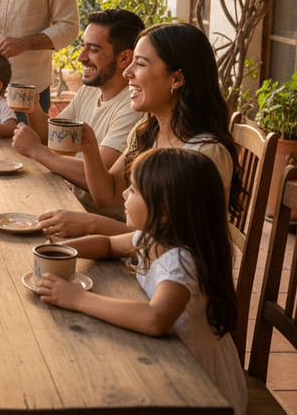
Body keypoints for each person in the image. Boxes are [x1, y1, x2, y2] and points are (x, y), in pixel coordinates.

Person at [37, 148, 247, 415]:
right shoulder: (153, 237)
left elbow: (154, 319)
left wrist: (77, 298)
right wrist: (60, 250)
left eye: (133, 190)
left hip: (196, 381)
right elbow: (108, 245)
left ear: (163, 212)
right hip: (164, 355)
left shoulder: (182, 260)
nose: (124, 194)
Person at [37, 22, 241, 239]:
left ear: (177, 78)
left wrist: (92, 224)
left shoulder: (205, 153)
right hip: (141, 261)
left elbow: (171, 242)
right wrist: (90, 149)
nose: (126, 72)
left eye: (140, 64)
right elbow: (108, 195)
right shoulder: (147, 132)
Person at [12, 9, 146, 220]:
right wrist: (33, 110)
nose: (81, 57)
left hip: (101, 223)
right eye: (83, 46)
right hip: (70, 203)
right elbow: (53, 135)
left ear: (124, 58)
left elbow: (96, 177)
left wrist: (36, 151)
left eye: (93, 49)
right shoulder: (91, 89)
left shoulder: (135, 107)